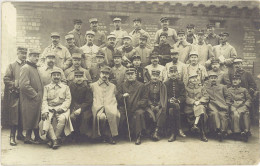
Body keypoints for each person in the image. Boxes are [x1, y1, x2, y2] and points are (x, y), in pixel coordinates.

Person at [40, 69, 73, 149]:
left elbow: (68, 99)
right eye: (54, 75)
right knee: (47, 118)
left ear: (61, 76)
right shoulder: (46, 87)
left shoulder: (66, 87)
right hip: (49, 107)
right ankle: (55, 140)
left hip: (61, 108)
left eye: (58, 75)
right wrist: (45, 110)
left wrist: (62, 108)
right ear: (51, 77)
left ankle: (53, 139)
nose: (56, 77)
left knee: (62, 118)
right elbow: (44, 100)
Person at [117, 68, 148, 145]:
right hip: (125, 107)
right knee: (119, 114)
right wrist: (122, 96)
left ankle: (138, 136)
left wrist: (137, 104)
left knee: (139, 114)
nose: (130, 76)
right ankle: (122, 134)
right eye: (128, 74)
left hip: (138, 107)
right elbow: (118, 96)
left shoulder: (141, 85)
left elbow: (145, 98)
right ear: (126, 76)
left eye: (132, 74)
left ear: (135, 75)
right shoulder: (122, 85)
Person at [3, 47, 27, 146]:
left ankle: (20, 134)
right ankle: (12, 136)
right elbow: (6, 79)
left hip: (24, 94)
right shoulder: (12, 65)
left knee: (22, 113)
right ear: (17, 53)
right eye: (22, 53)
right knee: (14, 115)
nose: (24, 55)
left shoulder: (27, 65)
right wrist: (15, 85)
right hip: (14, 94)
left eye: (25, 53)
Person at [90, 66, 120, 144]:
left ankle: (110, 135)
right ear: (100, 74)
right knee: (101, 117)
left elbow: (115, 96)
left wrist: (111, 104)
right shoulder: (93, 85)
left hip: (110, 105)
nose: (105, 75)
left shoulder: (112, 86)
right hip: (98, 105)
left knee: (115, 114)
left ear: (109, 75)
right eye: (103, 73)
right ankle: (101, 135)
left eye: (107, 74)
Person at [19, 49, 43, 144]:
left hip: (37, 98)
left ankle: (36, 137)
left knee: (36, 117)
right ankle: (28, 138)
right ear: (29, 56)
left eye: (38, 56)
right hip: (30, 98)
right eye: (34, 56)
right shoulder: (26, 68)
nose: (36, 58)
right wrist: (34, 95)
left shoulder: (34, 67)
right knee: (30, 117)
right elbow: (23, 85)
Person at [205, 71, 231, 142]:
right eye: (211, 78)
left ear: (217, 79)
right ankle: (218, 130)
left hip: (222, 104)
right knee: (215, 113)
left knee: (223, 115)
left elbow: (228, 96)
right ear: (209, 79)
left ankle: (223, 131)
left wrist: (227, 104)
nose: (213, 79)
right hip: (212, 105)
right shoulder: (205, 87)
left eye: (215, 78)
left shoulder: (223, 87)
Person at [68, 71, 93, 142]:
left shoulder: (87, 88)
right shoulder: (70, 86)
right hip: (73, 107)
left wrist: (80, 109)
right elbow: (69, 99)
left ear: (83, 78)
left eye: (80, 77)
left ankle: (83, 134)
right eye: (77, 77)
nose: (79, 79)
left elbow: (89, 101)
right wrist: (74, 108)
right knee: (72, 117)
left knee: (85, 117)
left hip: (85, 108)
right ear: (74, 78)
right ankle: (74, 134)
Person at [184, 73, 209, 142]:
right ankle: (199, 129)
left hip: (200, 104)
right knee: (201, 110)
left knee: (201, 109)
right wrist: (193, 102)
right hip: (190, 107)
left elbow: (206, 96)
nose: (194, 79)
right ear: (189, 80)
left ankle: (201, 132)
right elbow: (186, 97)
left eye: (195, 77)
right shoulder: (186, 88)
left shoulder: (201, 87)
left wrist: (200, 101)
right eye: (192, 78)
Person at [164, 65, 186, 142]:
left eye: (175, 72)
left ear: (177, 73)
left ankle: (173, 134)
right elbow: (164, 96)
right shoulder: (165, 84)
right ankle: (179, 129)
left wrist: (178, 100)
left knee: (172, 110)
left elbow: (183, 96)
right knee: (171, 108)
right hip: (168, 104)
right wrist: (169, 100)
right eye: (171, 72)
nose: (173, 74)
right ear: (168, 74)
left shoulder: (181, 83)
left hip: (179, 105)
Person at [227, 74, 251, 142]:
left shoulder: (244, 90)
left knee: (245, 113)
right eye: (233, 80)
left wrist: (246, 105)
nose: (235, 81)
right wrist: (230, 106)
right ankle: (236, 133)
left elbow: (249, 99)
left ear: (240, 81)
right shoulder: (228, 90)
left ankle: (246, 131)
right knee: (235, 114)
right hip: (233, 105)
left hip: (242, 105)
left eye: (236, 79)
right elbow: (227, 100)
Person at [145, 69, 167, 141]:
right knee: (149, 114)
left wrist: (159, 105)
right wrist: (150, 105)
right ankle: (150, 131)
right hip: (149, 105)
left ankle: (156, 132)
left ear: (159, 77)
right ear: (151, 76)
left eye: (157, 76)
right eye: (153, 75)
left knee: (162, 112)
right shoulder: (147, 85)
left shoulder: (162, 85)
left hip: (159, 105)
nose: (155, 77)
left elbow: (164, 97)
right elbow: (145, 97)